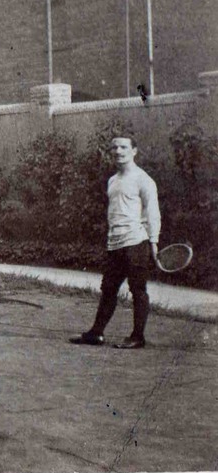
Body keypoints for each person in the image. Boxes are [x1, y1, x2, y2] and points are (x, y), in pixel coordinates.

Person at [70, 134, 160, 350]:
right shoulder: (112, 180)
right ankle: (96, 333)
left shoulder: (143, 179)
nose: (118, 151)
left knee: (138, 289)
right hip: (115, 244)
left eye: (123, 147)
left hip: (136, 242)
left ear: (134, 151)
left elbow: (153, 212)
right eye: (115, 148)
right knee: (108, 289)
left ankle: (138, 337)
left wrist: (153, 241)